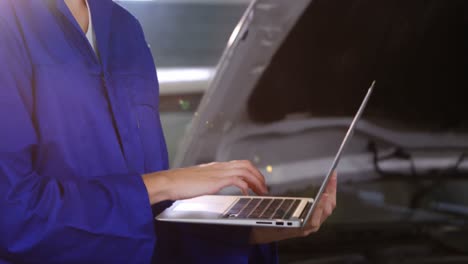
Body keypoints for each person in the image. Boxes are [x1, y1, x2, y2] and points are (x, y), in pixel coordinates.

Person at [0, 0, 337, 263]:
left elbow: (146, 226)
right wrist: (168, 182)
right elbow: (14, 219)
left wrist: (259, 232)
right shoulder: (7, 26)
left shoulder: (125, 30)